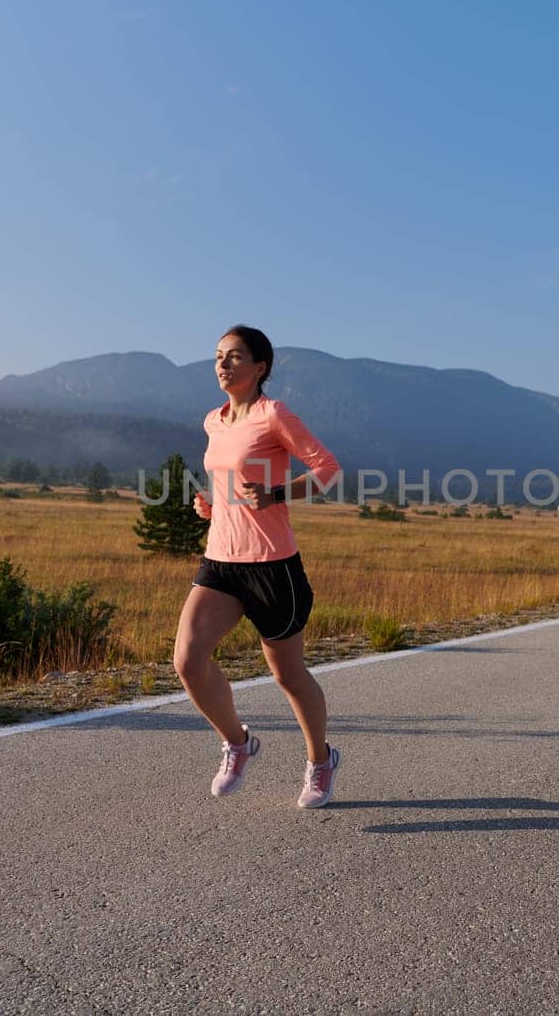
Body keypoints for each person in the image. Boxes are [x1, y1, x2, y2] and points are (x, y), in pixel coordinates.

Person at [173, 324, 344, 808]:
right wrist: (212, 502)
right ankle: (238, 743)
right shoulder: (214, 420)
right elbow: (232, 482)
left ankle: (320, 761)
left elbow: (328, 469)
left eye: (234, 357)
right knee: (187, 659)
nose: (223, 365)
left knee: (288, 676)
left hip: (272, 567)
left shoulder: (274, 416)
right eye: (218, 356)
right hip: (222, 562)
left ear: (259, 367)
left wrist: (277, 494)